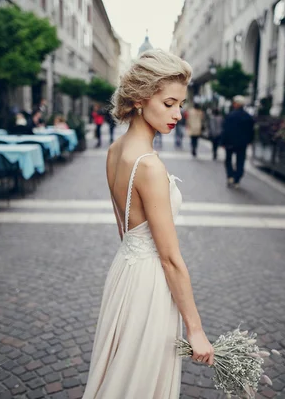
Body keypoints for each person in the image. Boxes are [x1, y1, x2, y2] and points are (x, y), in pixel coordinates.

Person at [83, 49, 214, 399]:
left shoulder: (115, 151)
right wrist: (196, 329)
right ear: (141, 98)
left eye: (181, 104)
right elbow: (170, 259)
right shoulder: (150, 166)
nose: (178, 114)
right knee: (139, 381)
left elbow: (124, 229)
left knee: (121, 369)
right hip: (151, 283)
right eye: (170, 103)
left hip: (125, 273)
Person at [220, 95, 255, 188]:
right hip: (242, 143)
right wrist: (249, 141)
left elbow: (225, 130)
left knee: (228, 160)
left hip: (230, 142)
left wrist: (223, 142)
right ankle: (237, 178)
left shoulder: (230, 116)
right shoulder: (248, 117)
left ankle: (230, 176)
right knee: (240, 161)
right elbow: (251, 131)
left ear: (236, 104)